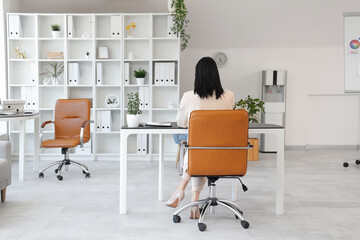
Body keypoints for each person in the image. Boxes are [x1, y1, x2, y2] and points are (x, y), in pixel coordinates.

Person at [166, 56, 235, 219]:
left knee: (198, 149)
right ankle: (194, 200)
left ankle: (181, 190)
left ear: (197, 76)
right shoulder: (230, 96)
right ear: (216, 75)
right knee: (204, 149)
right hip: (225, 154)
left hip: (198, 155)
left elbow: (181, 123)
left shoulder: (189, 96)